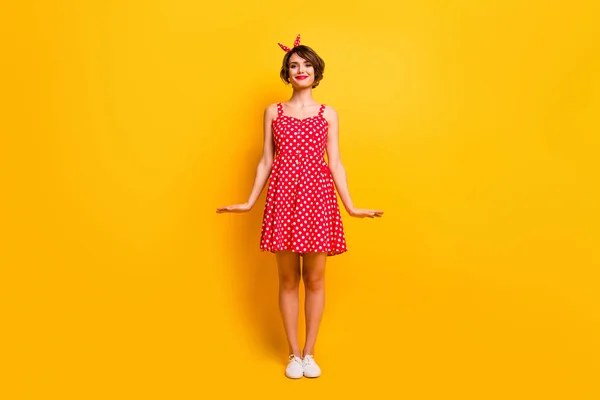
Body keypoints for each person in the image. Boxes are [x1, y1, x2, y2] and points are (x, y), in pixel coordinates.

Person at [216, 34, 383, 379]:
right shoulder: (273, 111)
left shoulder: (328, 113)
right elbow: (266, 160)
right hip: (282, 196)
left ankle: (310, 353)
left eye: (306, 64)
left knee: (316, 279)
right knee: (288, 278)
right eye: (294, 65)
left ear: (316, 71)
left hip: (318, 197)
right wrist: (249, 202)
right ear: (286, 73)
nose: (300, 69)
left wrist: (351, 206)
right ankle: (294, 354)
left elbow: (335, 162)